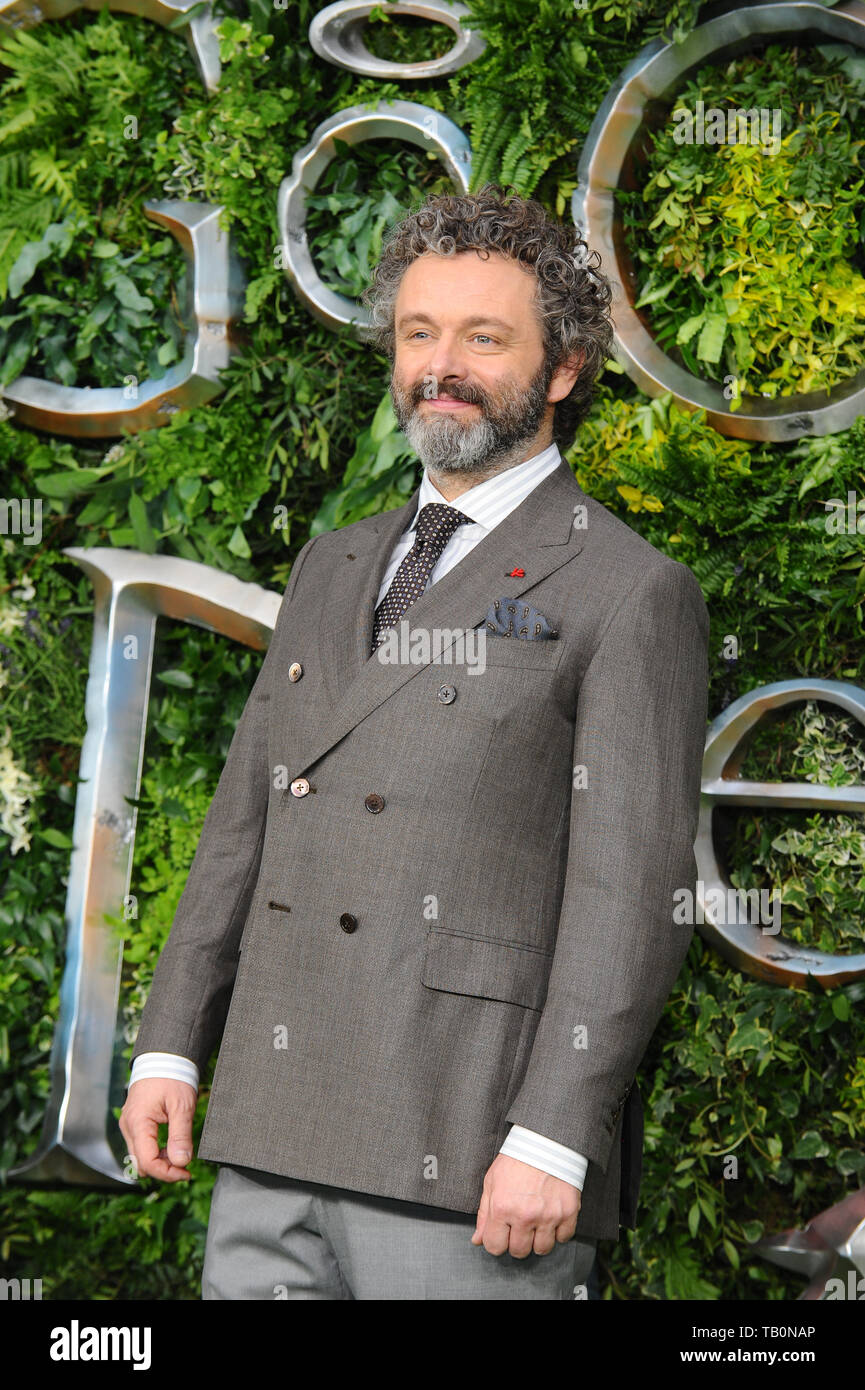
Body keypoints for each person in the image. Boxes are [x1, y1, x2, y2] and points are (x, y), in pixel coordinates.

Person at [120, 183, 709, 1300]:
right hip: (272, 1122)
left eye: (484, 337)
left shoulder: (629, 591)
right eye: (418, 333)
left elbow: (630, 898)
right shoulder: (333, 562)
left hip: (468, 1140)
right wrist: (168, 1044)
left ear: (566, 367)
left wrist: (554, 1134)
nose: (441, 366)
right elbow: (246, 816)